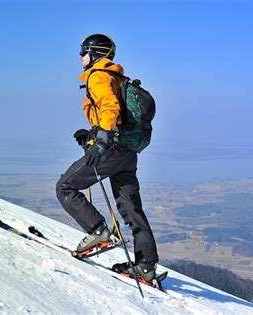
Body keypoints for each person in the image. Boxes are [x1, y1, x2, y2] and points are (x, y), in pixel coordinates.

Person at [55, 34, 159, 284]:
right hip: (127, 152)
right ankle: (146, 266)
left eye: (84, 50)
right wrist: (91, 133)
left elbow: (110, 107)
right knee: (132, 209)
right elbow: (111, 114)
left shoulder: (98, 75)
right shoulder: (116, 75)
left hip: (111, 149)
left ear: (96, 53)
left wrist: (100, 142)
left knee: (65, 187)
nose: (80, 56)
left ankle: (98, 231)